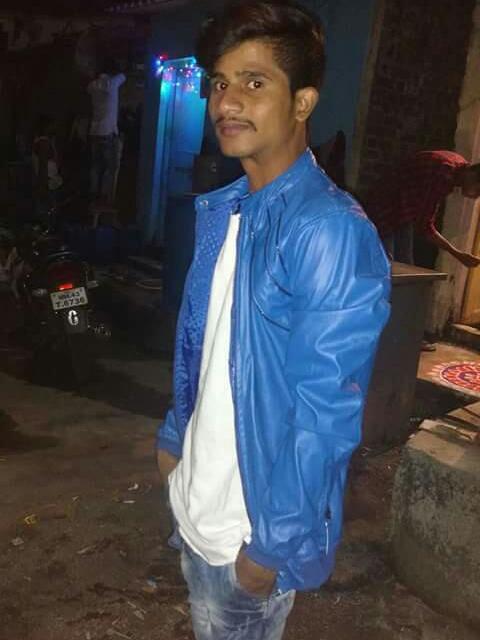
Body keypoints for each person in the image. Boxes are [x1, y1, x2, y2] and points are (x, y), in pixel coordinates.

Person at [156, 2, 391, 639]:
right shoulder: (229, 208)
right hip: (198, 504)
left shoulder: (328, 230)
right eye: (219, 82)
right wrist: (175, 438)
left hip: (249, 534)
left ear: (303, 102)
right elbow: (205, 343)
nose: (227, 101)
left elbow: (327, 410)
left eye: (254, 82)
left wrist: (273, 547)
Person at [366, 150, 480, 267]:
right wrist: (458, 254)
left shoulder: (458, 162)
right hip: (385, 209)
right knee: (387, 267)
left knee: (405, 265)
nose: (476, 196)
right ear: (473, 175)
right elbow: (425, 226)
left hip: (401, 212)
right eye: (478, 190)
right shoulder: (444, 175)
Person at [87, 58, 125, 208]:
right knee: (110, 167)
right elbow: (123, 75)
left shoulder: (93, 86)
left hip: (94, 131)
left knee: (95, 166)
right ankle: (104, 198)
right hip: (108, 131)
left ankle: (93, 194)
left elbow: (89, 87)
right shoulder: (113, 82)